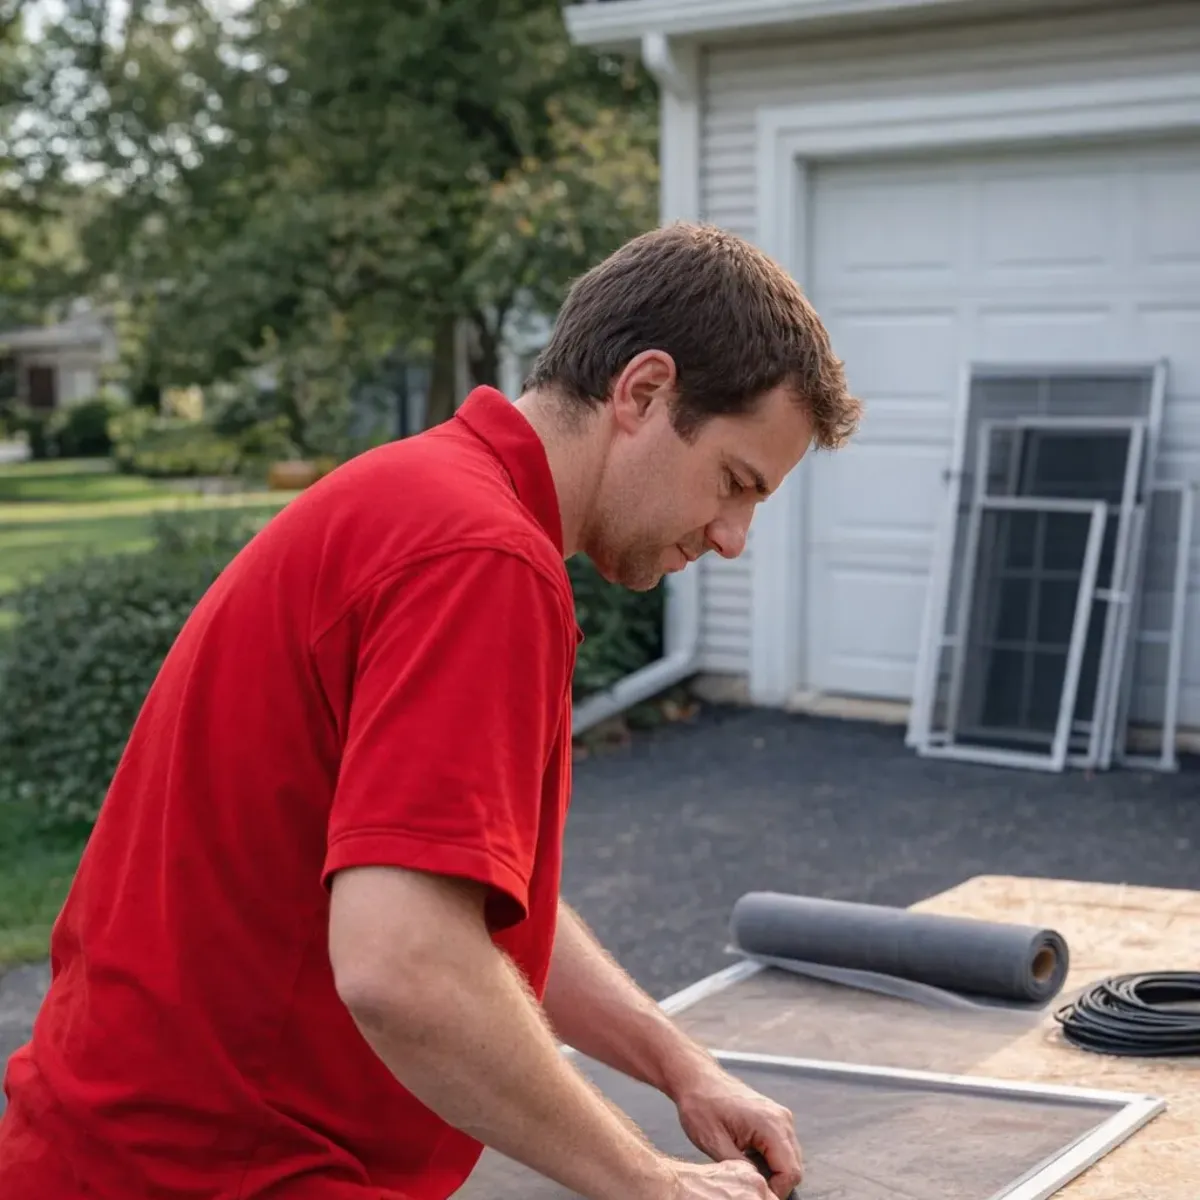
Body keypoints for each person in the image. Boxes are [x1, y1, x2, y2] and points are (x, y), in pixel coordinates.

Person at [0, 222, 861, 1199]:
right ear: (644, 392)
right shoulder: (481, 559)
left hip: (126, 1155)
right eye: (734, 482)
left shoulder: (428, 502)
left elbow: (456, 906)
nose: (733, 535)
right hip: (217, 1173)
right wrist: (647, 1181)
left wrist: (676, 1063)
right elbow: (404, 965)